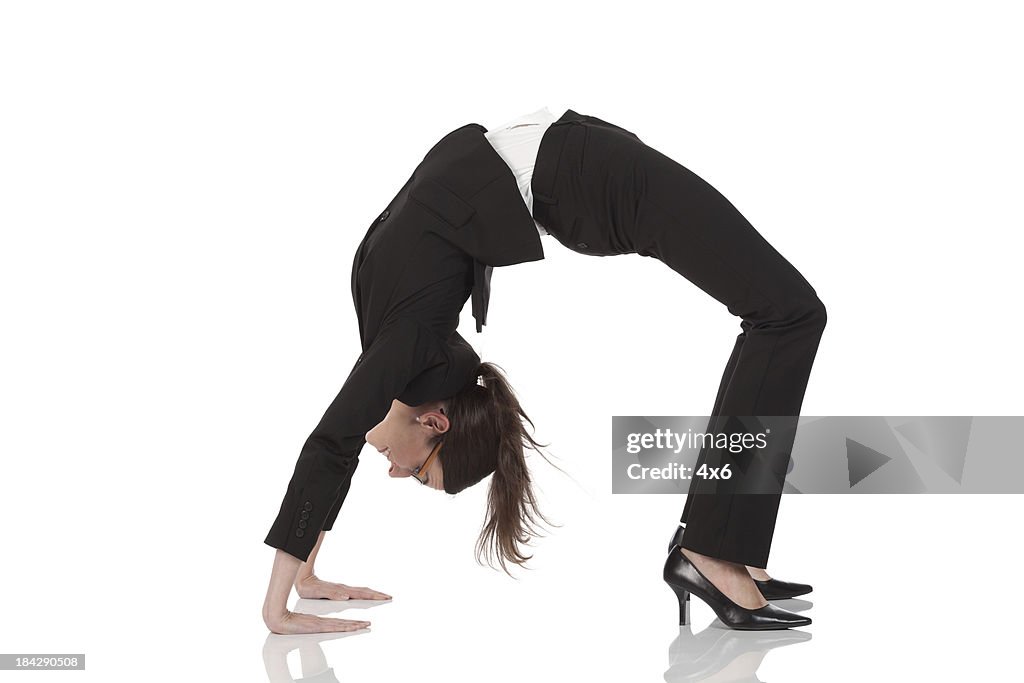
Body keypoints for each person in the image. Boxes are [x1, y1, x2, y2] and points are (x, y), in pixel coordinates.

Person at [261, 107, 824, 634]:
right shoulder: (407, 348)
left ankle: (716, 547)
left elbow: (333, 444)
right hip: (581, 172)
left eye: (417, 475)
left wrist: (280, 604)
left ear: (436, 425)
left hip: (583, 173)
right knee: (785, 314)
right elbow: (337, 447)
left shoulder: (401, 346)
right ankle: (716, 547)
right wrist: (299, 582)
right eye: (417, 475)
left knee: (786, 315)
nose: (394, 473)